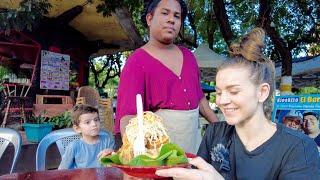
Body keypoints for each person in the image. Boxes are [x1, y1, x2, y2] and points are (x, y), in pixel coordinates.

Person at [156, 28, 320, 179]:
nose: (221, 101)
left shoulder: (299, 148)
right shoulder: (214, 134)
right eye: (219, 92)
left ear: (262, 92)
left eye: (233, 91)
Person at [115, 0, 218, 154]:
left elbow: (200, 99)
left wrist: (221, 128)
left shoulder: (189, 57)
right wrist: (138, 157)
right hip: (158, 152)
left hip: (194, 146)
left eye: (177, 16)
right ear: (149, 19)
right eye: (165, 13)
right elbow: (127, 118)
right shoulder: (136, 61)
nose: (172, 19)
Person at [58, 104, 115, 169]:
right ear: (77, 129)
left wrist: (112, 154)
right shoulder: (74, 146)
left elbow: (112, 166)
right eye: (87, 122)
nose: (94, 124)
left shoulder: (107, 140)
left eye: (96, 120)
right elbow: (62, 170)